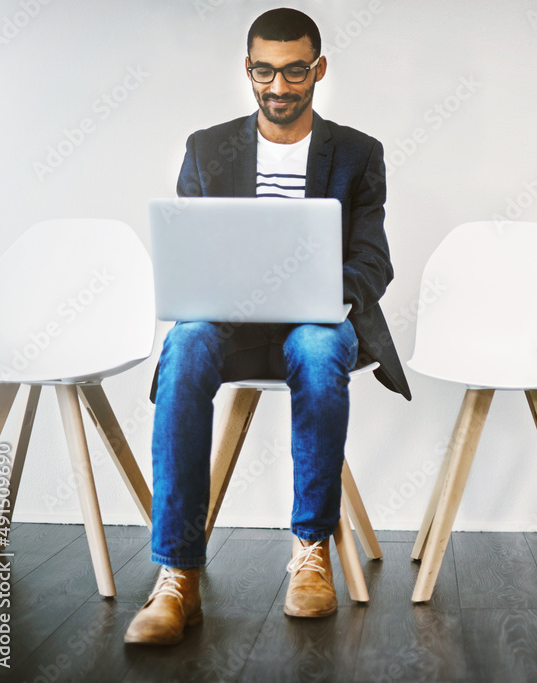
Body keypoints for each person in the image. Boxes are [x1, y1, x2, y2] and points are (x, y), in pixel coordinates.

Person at [125, 7, 410, 646]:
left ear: (319, 69)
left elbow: (373, 257)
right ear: (247, 69)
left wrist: (325, 293)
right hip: (229, 321)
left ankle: (311, 552)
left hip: (316, 319)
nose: (279, 87)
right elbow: (189, 247)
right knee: (187, 339)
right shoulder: (206, 148)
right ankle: (177, 575)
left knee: (313, 346)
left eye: (294, 71)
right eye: (264, 71)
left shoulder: (358, 153)